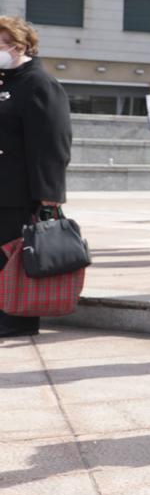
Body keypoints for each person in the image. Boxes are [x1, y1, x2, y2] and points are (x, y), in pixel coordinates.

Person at [0, 17, 73, 339]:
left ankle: (19, 319)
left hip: (19, 190)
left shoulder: (39, 83)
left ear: (17, 46)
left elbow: (53, 143)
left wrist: (49, 196)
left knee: (15, 256)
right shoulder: (6, 81)